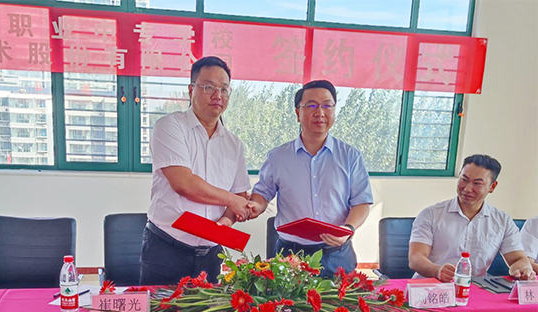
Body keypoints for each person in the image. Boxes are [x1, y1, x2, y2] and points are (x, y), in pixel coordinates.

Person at [140, 56, 252, 285]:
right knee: (161, 309)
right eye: (209, 87)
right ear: (191, 90)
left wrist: (227, 220)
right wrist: (233, 201)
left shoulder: (233, 143)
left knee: (209, 310)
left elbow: (240, 194)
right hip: (166, 249)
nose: (217, 95)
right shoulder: (170, 126)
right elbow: (184, 184)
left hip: (211, 254)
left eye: (224, 89)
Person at [248, 80, 373, 276]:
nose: (320, 112)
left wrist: (348, 228)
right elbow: (262, 194)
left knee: (339, 298)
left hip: (336, 253)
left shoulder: (350, 156)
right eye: (312, 105)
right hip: (290, 255)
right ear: (297, 113)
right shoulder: (278, 157)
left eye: (327, 105)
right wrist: (255, 206)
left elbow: (361, 203)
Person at [409, 154, 536, 282]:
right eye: (464, 179)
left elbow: (518, 259)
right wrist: (437, 271)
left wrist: (523, 269)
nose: (468, 188)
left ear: (492, 187)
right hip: (430, 285)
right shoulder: (431, 214)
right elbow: (416, 258)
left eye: (477, 183)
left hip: (475, 288)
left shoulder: (502, 221)